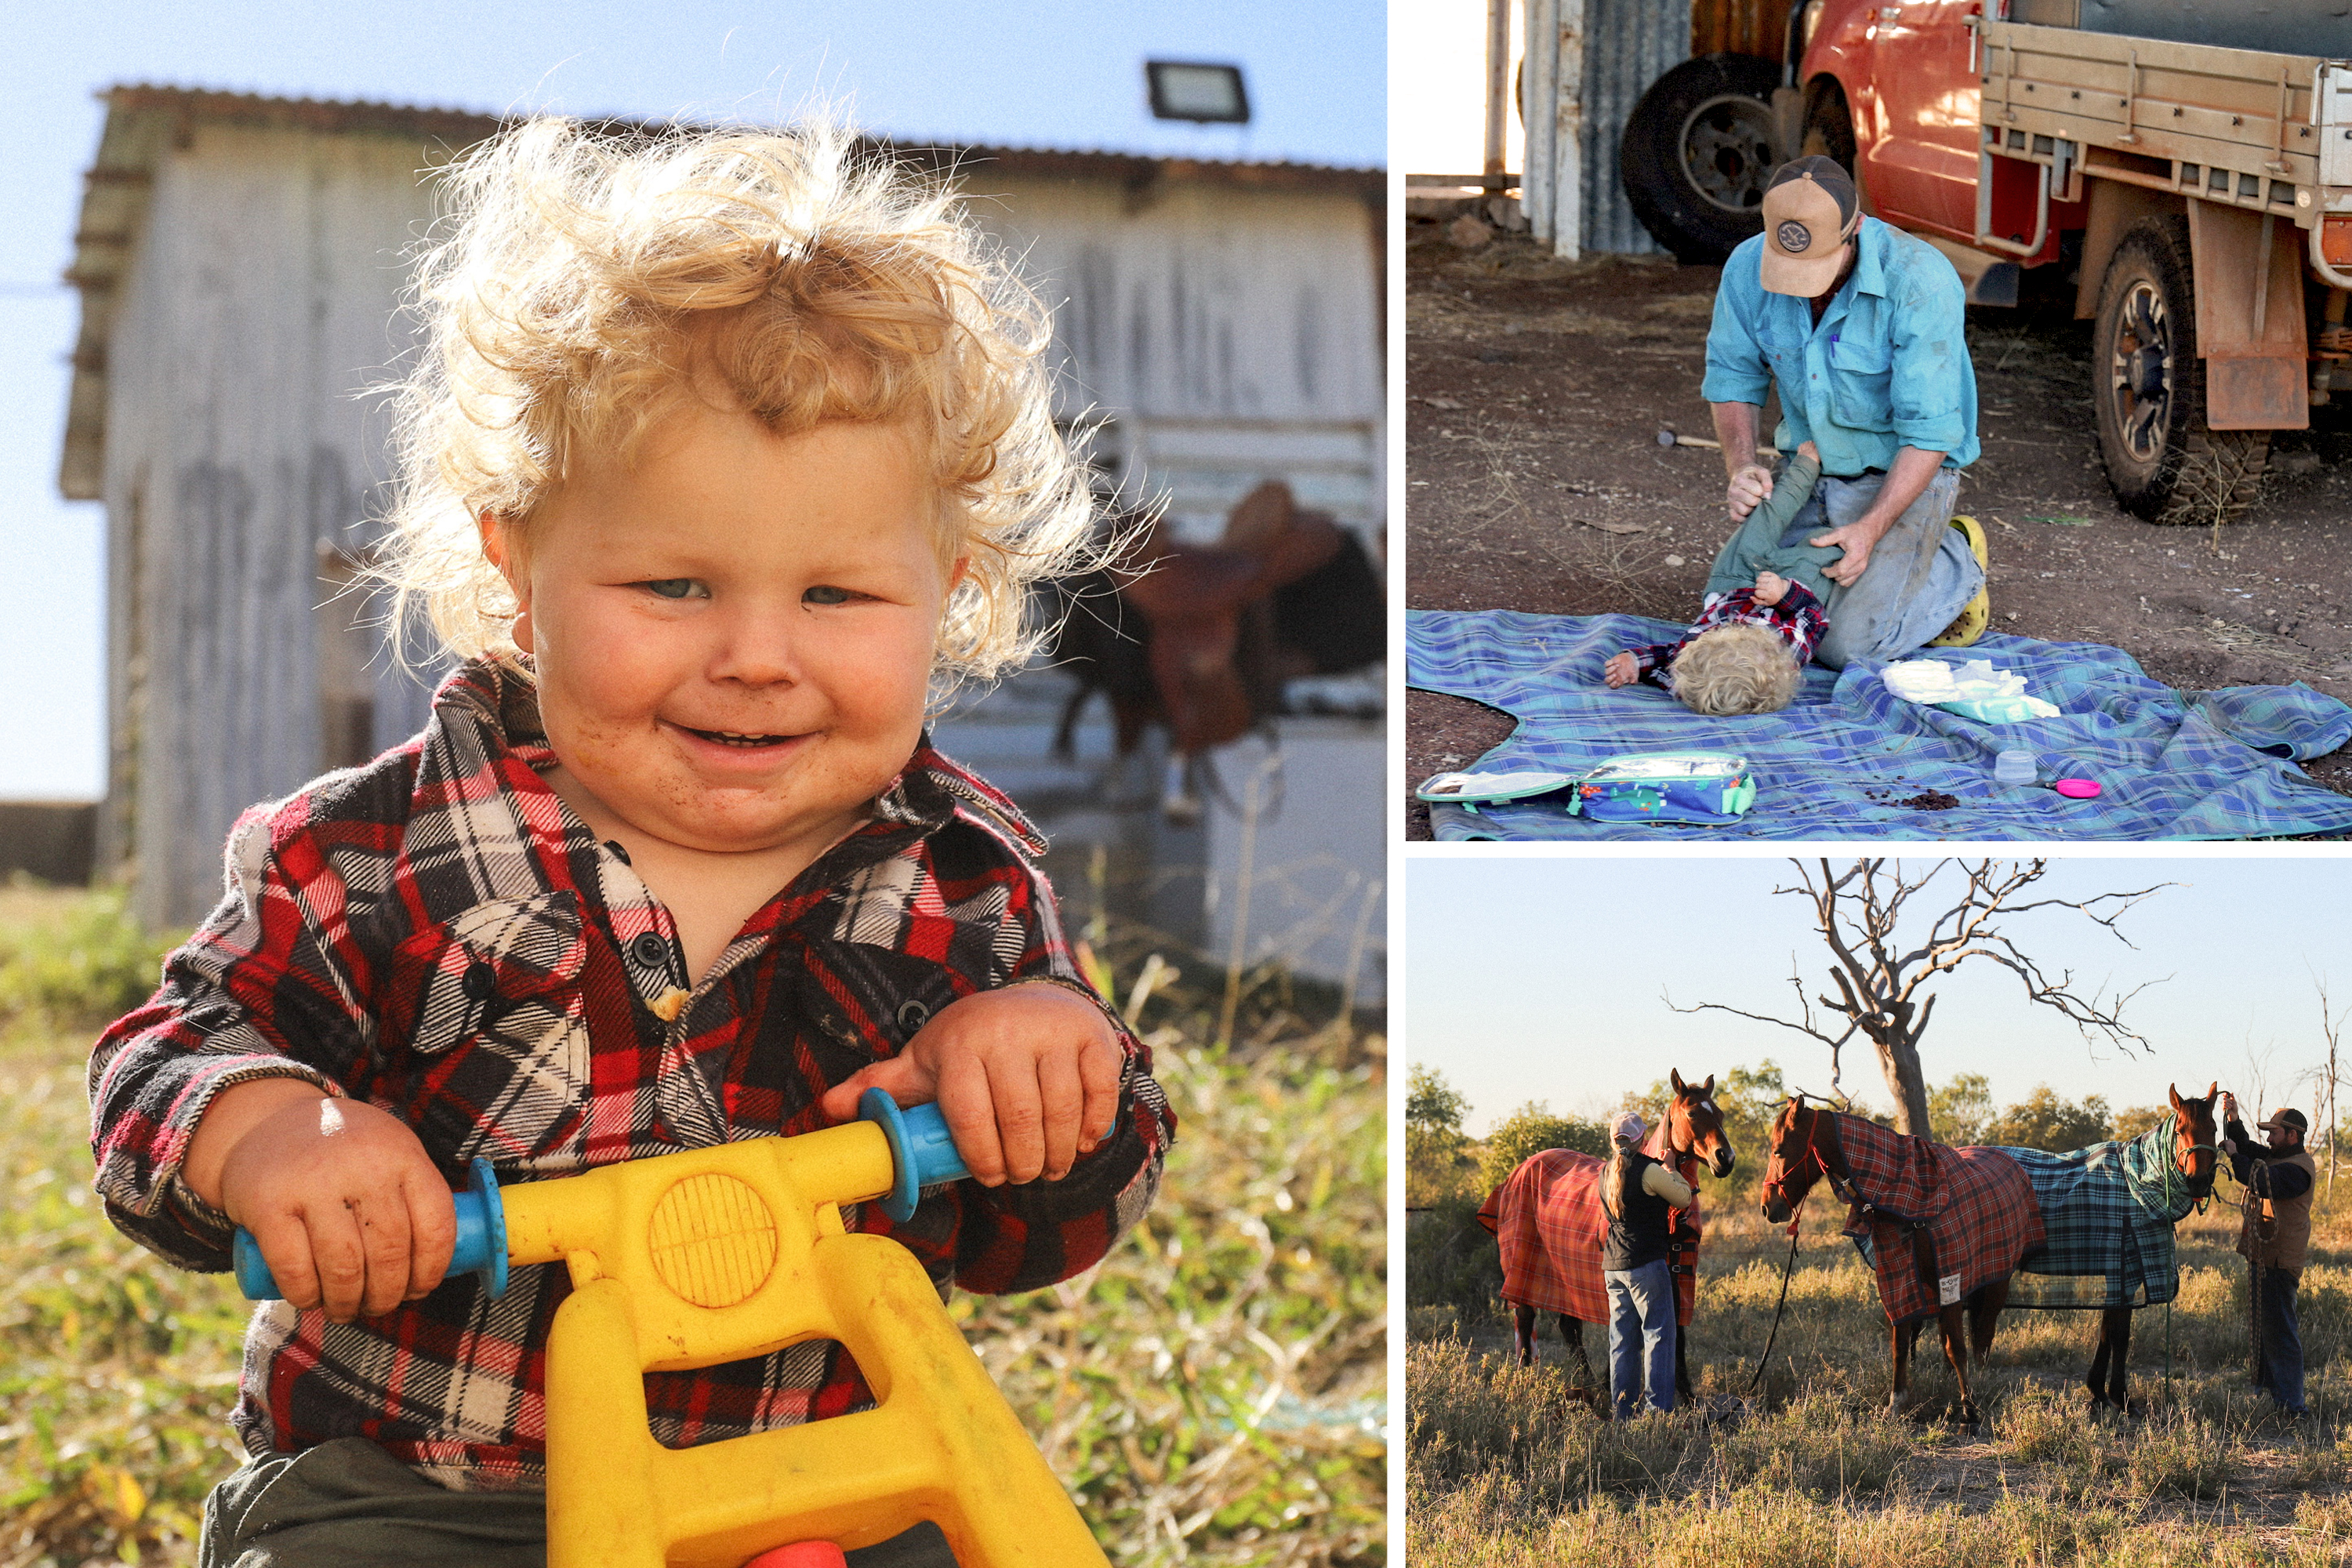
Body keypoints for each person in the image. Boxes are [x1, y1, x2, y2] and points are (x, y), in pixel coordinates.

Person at [86, 118, 1174, 1568]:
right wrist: (270, 1129)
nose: (757, 656)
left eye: (840, 597)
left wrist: (1051, 1075)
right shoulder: (372, 852)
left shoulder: (968, 884)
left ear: (951, 587)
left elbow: (1051, 1229)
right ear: (516, 568)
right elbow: (164, 1053)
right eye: (674, 583)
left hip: (828, 1483)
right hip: (439, 1498)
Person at [1700, 156, 1990, 670]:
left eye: (1816, 268)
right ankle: (1896, 566)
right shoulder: (1746, 267)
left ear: (1855, 228)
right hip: (1811, 472)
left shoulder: (1920, 281)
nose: (1800, 288)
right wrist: (1741, 467)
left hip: (1903, 478)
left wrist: (1872, 528)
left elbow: (1930, 432)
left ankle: (1954, 562)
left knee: (1844, 647)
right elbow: (1733, 377)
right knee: (1742, 613)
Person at [1603, 442, 1829, 713]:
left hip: (1731, 581)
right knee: (1824, 552)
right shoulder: (1789, 654)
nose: (1735, 628)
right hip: (1787, 592)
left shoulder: (1692, 668)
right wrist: (1785, 592)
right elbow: (1814, 616)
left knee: (1765, 517)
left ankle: (1804, 467)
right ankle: (1847, 514)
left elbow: (1666, 656)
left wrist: (1634, 663)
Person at [2219, 1094, 2314, 1417]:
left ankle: (2293, 1405)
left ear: (2292, 1136)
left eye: (2274, 1133)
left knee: (2282, 1334)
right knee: (2267, 1331)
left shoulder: (2298, 1170)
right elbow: (2246, 1146)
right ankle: (2274, 1396)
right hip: (2265, 1258)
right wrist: (2232, 1119)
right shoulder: (2279, 1157)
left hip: (2279, 1262)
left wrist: (2234, 1156)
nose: (2268, 1138)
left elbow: (2258, 1179)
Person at [1599, 1111, 1696, 1418]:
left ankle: (1623, 1414)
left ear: (1614, 1142)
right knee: (1658, 1335)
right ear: (1642, 1139)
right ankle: (1657, 1413)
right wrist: (1670, 1167)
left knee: (1622, 1340)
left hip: (1613, 1266)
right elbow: (1683, 1199)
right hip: (1646, 1264)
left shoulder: (1604, 1172)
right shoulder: (1650, 1169)